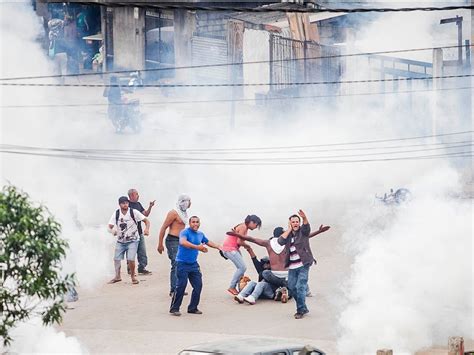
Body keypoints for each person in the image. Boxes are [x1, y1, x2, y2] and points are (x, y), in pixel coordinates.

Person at [277, 210, 328, 319]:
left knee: (300, 287)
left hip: (303, 264)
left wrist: (304, 218)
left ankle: (300, 310)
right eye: (293, 222)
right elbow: (280, 242)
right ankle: (303, 307)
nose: (295, 223)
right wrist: (289, 229)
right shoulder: (287, 235)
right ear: (290, 223)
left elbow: (306, 227)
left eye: (297, 222)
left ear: (299, 223)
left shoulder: (303, 232)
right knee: (291, 287)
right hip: (292, 267)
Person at [169, 216, 221, 316]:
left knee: (198, 286)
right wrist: (198, 247)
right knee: (181, 286)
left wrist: (218, 246)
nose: (195, 224)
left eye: (197, 222)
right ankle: (174, 308)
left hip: (193, 264)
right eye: (193, 222)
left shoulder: (200, 234)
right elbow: (183, 242)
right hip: (182, 263)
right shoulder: (184, 232)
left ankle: (192, 308)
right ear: (189, 223)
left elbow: (207, 242)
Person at [107, 196, 150, 285]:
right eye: (123, 203)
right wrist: (112, 231)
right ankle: (117, 276)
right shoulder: (116, 213)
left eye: (126, 203)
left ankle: (133, 277)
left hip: (133, 240)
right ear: (119, 204)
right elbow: (109, 226)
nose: (125, 204)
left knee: (131, 259)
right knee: (116, 258)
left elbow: (146, 220)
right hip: (121, 240)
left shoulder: (133, 212)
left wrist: (147, 229)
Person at [157, 194, 192, 297]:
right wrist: (160, 244)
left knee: (182, 264)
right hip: (173, 241)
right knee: (176, 264)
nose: (189, 204)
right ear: (183, 201)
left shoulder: (184, 213)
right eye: (188, 201)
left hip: (181, 241)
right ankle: (173, 289)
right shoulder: (173, 213)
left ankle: (179, 288)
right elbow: (163, 227)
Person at [221, 215, 262, 296]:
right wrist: (248, 246)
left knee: (241, 269)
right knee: (242, 267)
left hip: (233, 248)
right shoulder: (243, 227)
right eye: (256, 225)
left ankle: (241, 287)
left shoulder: (244, 226)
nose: (256, 227)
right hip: (230, 248)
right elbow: (239, 241)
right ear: (252, 222)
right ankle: (232, 287)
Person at [127, 188, 155, 275]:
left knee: (142, 251)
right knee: (131, 251)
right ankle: (130, 268)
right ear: (131, 195)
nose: (138, 196)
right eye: (136, 194)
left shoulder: (138, 204)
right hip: (130, 233)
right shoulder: (126, 205)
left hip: (139, 232)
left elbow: (145, 214)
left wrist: (150, 206)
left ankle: (142, 268)